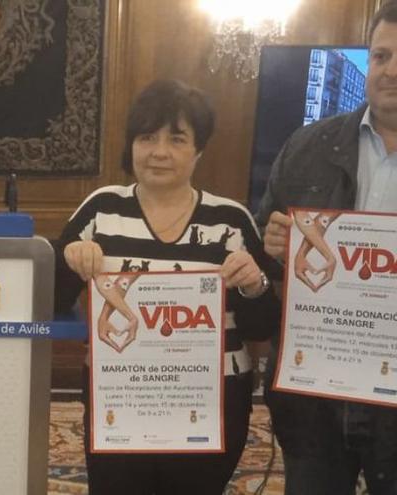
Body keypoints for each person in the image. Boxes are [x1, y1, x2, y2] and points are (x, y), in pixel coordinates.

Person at [54, 79, 281, 494]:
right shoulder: (101, 208)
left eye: (177, 139)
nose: (159, 151)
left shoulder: (230, 220)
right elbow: (53, 300)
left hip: (212, 396)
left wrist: (254, 284)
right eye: (147, 137)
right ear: (132, 145)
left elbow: (261, 326)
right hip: (120, 393)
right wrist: (70, 260)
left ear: (198, 151)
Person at [258, 2, 397, 493]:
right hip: (316, 392)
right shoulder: (308, 145)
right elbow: (263, 245)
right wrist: (273, 243)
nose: (391, 71)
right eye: (381, 57)